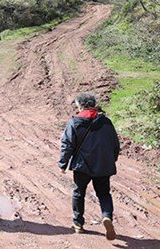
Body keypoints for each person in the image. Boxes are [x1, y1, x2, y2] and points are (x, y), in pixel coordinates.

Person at [58, 93, 120, 241]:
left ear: (80, 106)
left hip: (82, 167)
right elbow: (115, 144)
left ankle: (78, 224)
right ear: (93, 104)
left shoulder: (75, 122)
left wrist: (63, 164)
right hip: (103, 166)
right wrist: (111, 160)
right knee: (104, 194)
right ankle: (106, 217)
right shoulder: (106, 122)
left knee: (79, 193)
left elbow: (67, 145)